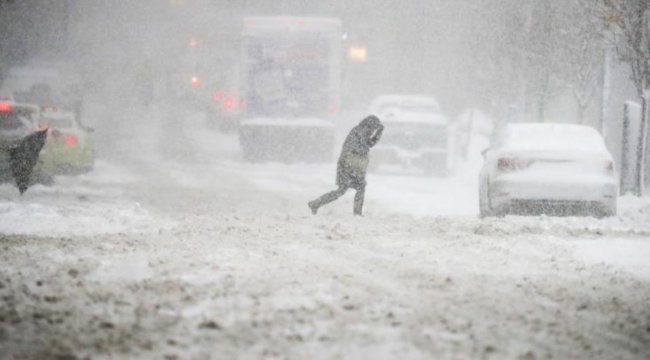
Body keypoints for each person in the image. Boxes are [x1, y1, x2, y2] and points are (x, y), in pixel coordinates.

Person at [308, 115, 384, 216]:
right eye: (374, 128)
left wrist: (378, 133)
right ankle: (356, 213)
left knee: (347, 189)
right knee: (349, 189)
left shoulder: (361, 131)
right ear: (370, 125)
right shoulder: (359, 131)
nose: (373, 130)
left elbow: (369, 144)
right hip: (347, 166)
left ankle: (316, 203)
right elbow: (363, 147)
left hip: (352, 166)